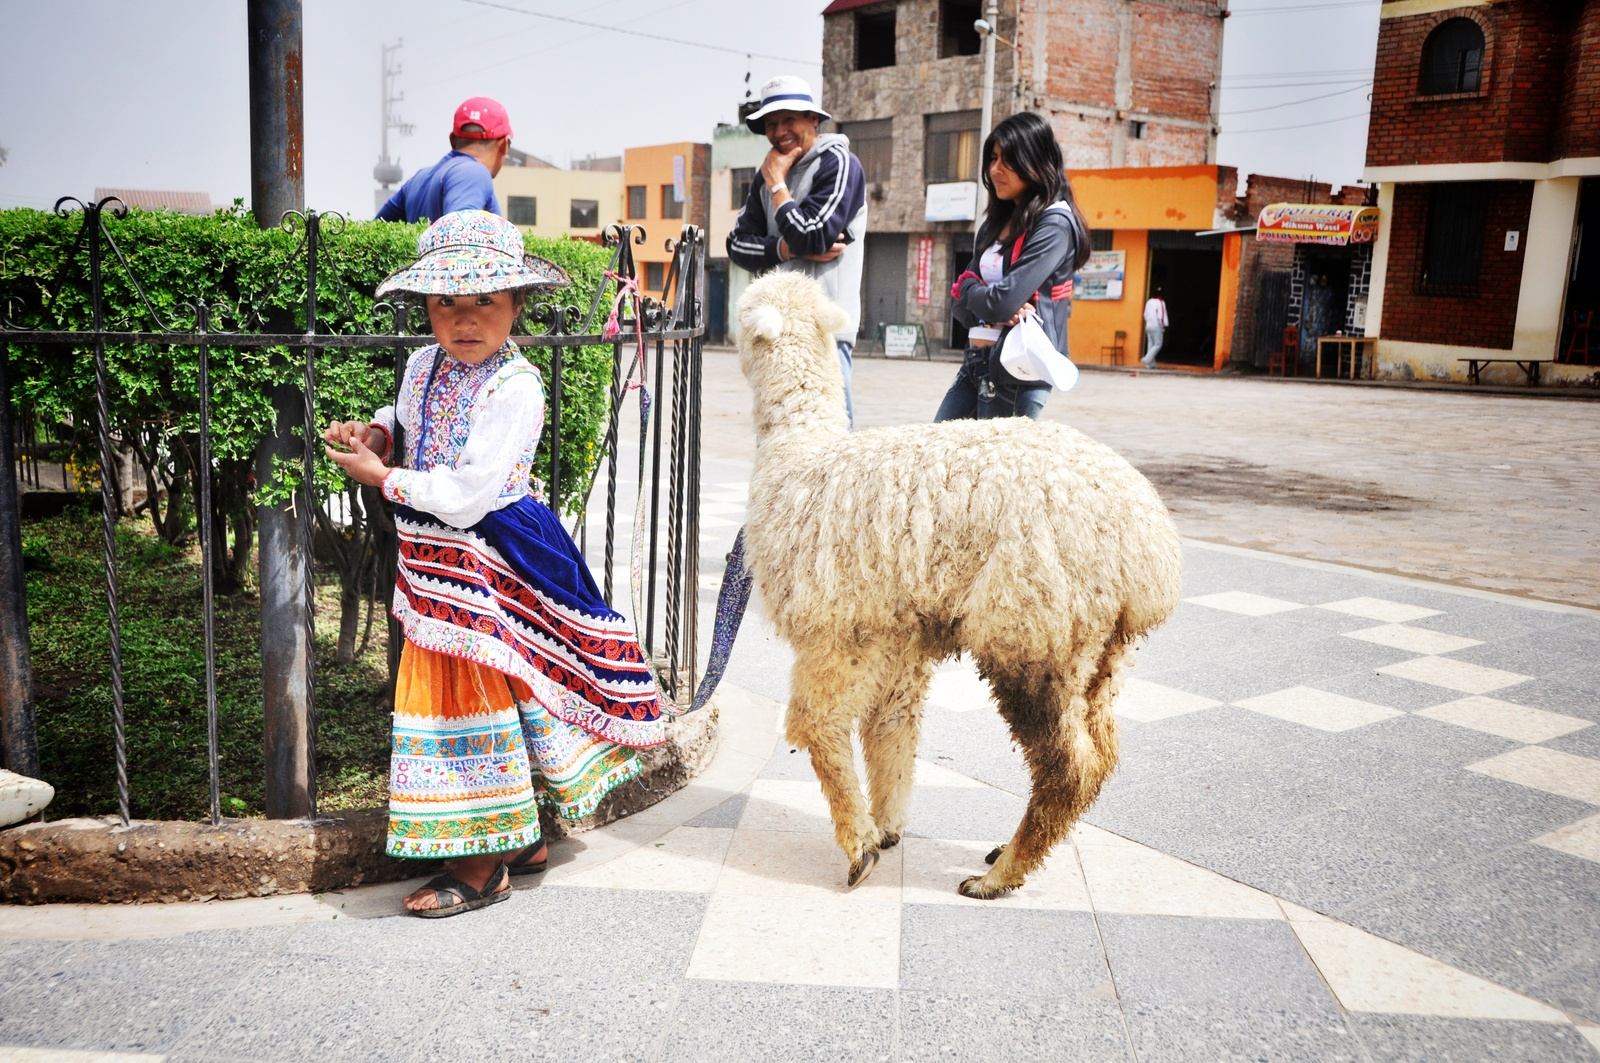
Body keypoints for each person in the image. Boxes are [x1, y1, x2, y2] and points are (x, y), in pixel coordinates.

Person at [323, 210, 667, 917]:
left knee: (475, 689)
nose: (465, 318)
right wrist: (379, 433)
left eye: (485, 299)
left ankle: (482, 865)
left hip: (493, 555)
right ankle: (520, 840)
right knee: (480, 687)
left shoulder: (515, 387)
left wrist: (382, 479)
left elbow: (467, 494)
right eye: (446, 301)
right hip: (438, 560)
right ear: (426, 308)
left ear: (516, 304)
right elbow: (410, 420)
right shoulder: (423, 365)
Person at [727, 75, 867, 426]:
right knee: (778, 430)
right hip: (773, 328)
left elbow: (813, 235)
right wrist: (784, 248)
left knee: (830, 430)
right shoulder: (767, 174)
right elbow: (737, 244)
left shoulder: (839, 163)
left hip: (824, 328)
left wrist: (778, 186)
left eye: (789, 119)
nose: (779, 132)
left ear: (813, 120)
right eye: (771, 124)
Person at [937, 112, 1092, 421]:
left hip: (1017, 372)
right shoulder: (994, 224)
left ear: (1035, 161)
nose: (995, 169)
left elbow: (999, 302)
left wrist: (975, 291)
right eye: (993, 159)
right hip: (976, 363)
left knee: (995, 455)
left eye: (1007, 160)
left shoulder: (1055, 224)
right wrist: (977, 295)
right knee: (937, 447)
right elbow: (960, 306)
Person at [375, 97, 512, 223]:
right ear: (504, 145)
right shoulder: (473, 173)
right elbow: (459, 232)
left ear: (452, 140)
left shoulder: (418, 179)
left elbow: (376, 229)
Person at [1141, 287, 1168, 367]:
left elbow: (1145, 314)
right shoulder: (1161, 302)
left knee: (1151, 344)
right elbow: (1160, 316)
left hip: (1148, 325)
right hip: (1157, 326)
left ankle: (1150, 364)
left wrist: (1148, 322)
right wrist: (1162, 326)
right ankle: (1147, 359)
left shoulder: (1149, 302)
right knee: (1158, 344)